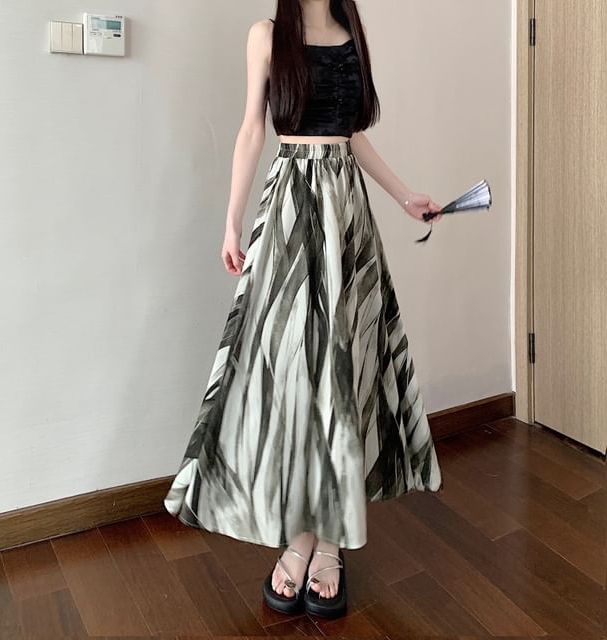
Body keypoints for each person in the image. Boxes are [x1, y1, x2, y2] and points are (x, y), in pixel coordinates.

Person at [164, 0, 444, 620]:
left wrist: (403, 196)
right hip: (291, 211)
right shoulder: (267, 35)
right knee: (294, 374)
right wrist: (232, 222)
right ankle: (304, 538)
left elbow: (351, 134)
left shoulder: (350, 33)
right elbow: (251, 130)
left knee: (341, 375)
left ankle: (326, 544)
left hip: (346, 216)